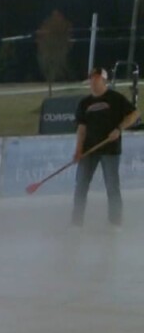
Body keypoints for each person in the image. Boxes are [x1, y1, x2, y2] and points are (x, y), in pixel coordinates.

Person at [71, 66, 140, 228]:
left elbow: (135, 114)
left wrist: (119, 129)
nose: (93, 82)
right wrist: (78, 150)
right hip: (88, 151)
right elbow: (81, 129)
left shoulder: (116, 99)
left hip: (110, 150)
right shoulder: (84, 103)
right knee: (80, 185)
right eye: (91, 79)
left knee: (112, 187)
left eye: (97, 79)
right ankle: (76, 223)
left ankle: (115, 223)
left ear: (104, 80)